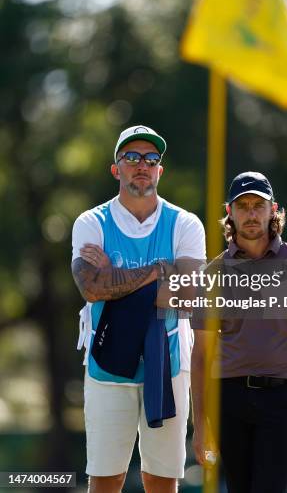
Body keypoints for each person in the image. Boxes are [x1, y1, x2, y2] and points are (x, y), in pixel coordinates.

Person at [71, 125, 206, 493]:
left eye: (151, 158)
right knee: (106, 479)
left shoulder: (185, 223)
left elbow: (189, 293)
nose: (141, 165)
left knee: (161, 480)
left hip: (168, 361)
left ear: (160, 170)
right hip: (107, 364)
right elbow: (92, 287)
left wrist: (116, 278)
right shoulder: (91, 222)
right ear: (116, 168)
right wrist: (160, 270)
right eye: (131, 157)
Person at [191, 171, 287, 493]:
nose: (251, 213)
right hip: (227, 400)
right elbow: (201, 355)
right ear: (230, 212)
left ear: (273, 209)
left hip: (281, 400)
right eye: (242, 205)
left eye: (258, 205)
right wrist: (199, 424)